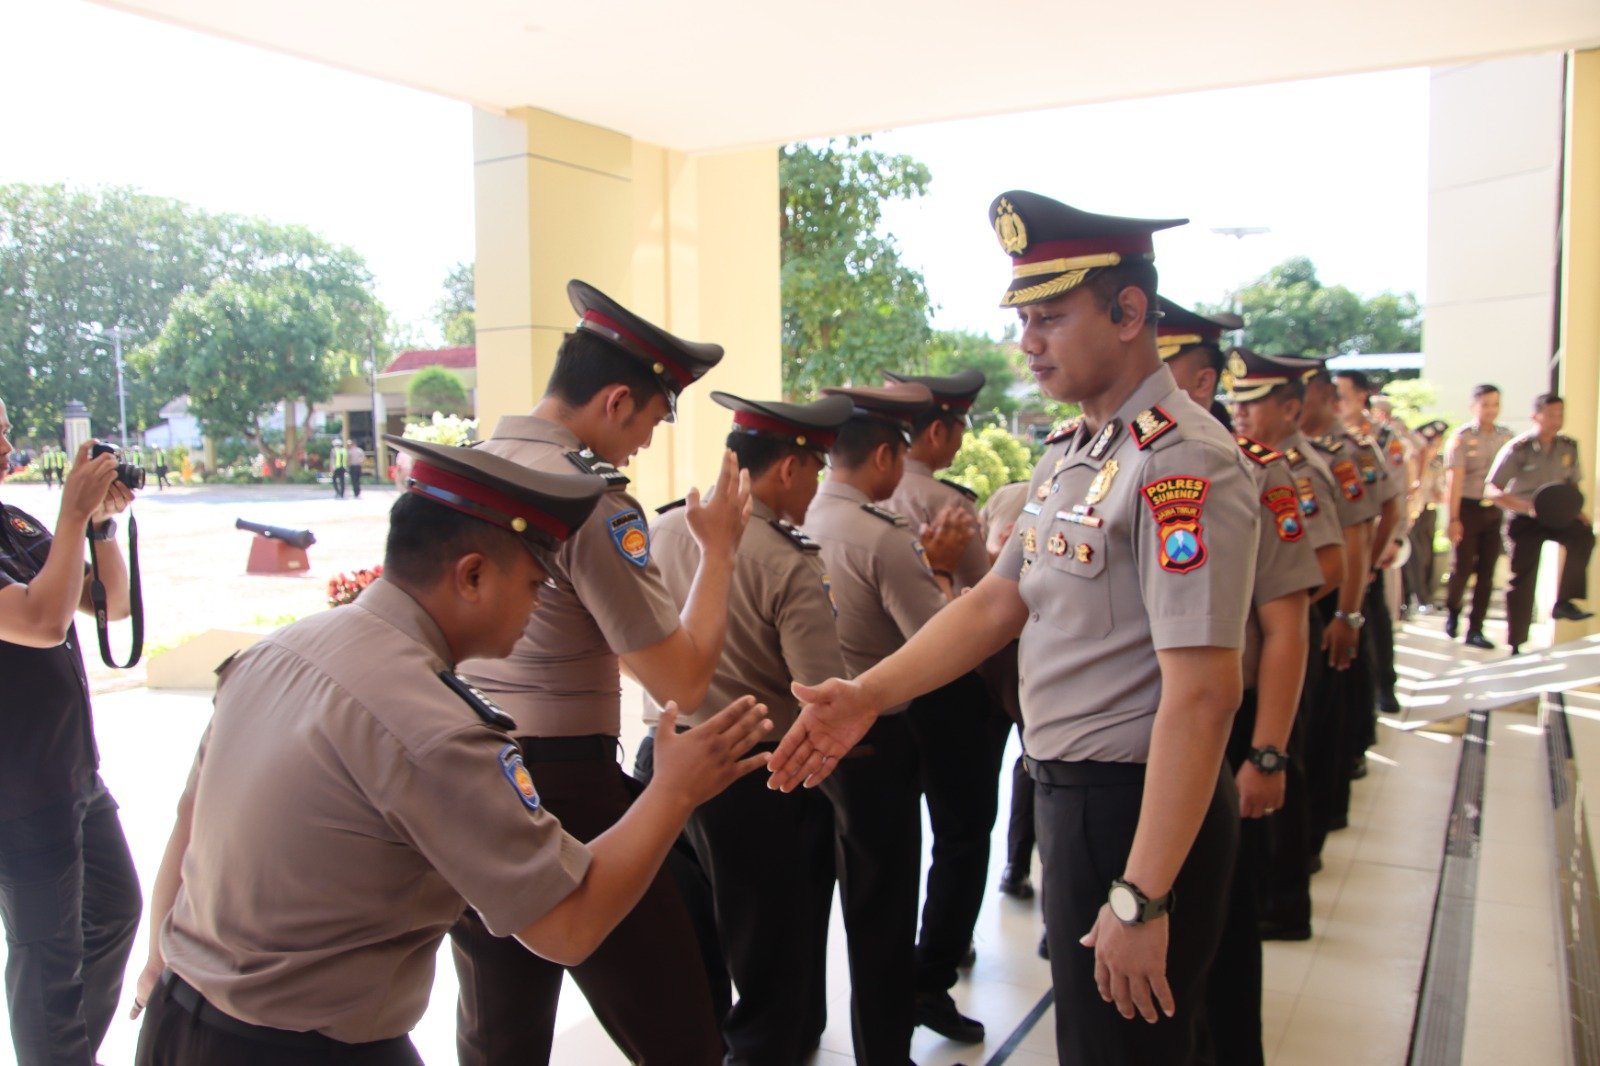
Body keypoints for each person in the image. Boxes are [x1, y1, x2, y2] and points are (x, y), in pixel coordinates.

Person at [771, 191, 1259, 1065]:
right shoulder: (1075, 452)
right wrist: (866, 695)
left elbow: (1205, 692)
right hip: (1074, 796)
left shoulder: (1180, 461)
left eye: (1051, 316)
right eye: (1023, 317)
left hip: (1137, 807)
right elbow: (1001, 600)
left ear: (1129, 312)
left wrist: (1143, 895)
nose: (1027, 341)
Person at [130, 436, 774, 1066]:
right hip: (299, 1048)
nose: (536, 605)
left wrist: (163, 965)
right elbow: (567, 927)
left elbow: (188, 826)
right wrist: (673, 791)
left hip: (178, 1018)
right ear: (472, 576)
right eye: (531, 583)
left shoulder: (280, 650)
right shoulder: (434, 727)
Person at [451, 279, 749, 1066]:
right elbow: (677, 680)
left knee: (499, 1036)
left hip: (466, 778)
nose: (646, 441)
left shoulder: (465, 474)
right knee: (681, 1031)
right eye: (652, 419)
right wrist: (718, 552)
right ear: (617, 401)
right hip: (566, 791)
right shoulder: (585, 500)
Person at [645, 390, 851, 1065]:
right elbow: (819, 687)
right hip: (757, 776)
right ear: (787, 469)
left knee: (694, 944)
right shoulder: (787, 560)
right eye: (814, 469)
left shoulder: (666, 528)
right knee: (772, 960)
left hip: (665, 763)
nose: (817, 485)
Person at [799, 380, 973, 1063]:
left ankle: (805, 1026)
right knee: (881, 907)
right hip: (872, 735)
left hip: (806, 732)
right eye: (899, 453)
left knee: (807, 894)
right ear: (880, 456)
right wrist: (948, 575)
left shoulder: (797, 517)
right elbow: (939, 642)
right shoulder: (884, 537)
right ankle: (882, 1052)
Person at [0, 403, 141, 1066]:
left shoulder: (13, 523)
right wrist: (69, 516)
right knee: (47, 955)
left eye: (6, 424)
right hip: (18, 790)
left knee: (116, 911)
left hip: (74, 773)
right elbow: (42, 621)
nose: (5, 437)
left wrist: (101, 522)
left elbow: (110, 599)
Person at [881, 367, 1006, 1043]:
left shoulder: (857, 495)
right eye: (958, 428)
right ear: (938, 430)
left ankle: (901, 973)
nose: (959, 441)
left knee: (893, 844)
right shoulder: (946, 503)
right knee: (961, 833)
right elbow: (990, 599)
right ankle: (931, 975)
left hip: (881, 691)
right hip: (950, 691)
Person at [1225, 350, 1350, 939]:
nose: (1240, 412)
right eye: (1238, 400)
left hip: (1286, 644)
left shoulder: (1290, 471)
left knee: (1283, 769)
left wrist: (1275, 603)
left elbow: (1329, 558)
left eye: (1253, 402)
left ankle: (1284, 901)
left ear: (1291, 408)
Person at [1486, 392, 1596, 654]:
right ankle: (1516, 641)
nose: (1556, 420)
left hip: (1557, 516)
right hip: (1525, 519)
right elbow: (1493, 489)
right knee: (1522, 577)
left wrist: (1578, 510)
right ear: (1536, 416)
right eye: (1551, 414)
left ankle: (1565, 601)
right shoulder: (1519, 448)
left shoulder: (1568, 446)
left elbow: (1572, 484)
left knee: (1584, 536)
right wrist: (1527, 507)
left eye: (1560, 414)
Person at [1443, 386, 1514, 649]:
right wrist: (1453, 518)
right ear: (1474, 406)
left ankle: (1476, 628)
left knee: (1487, 572)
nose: (1490, 410)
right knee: (1461, 569)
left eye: (1495, 404)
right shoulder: (1461, 437)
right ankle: (1453, 611)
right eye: (1485, 404)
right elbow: (1455, 480)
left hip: (1494, 511)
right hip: (1468, 509)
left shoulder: (1506, 437)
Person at [1405, 419, 1450, 613]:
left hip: (1430, 511)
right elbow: (1415, 485)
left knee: (1428, 557)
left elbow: (1440, 490)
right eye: (1432, 441)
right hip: (1415, 512)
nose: (1436, 445)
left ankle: (1427, 596)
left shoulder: (1438, 461)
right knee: (1415, 557)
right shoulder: (1416, 458)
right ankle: (1418, 597)